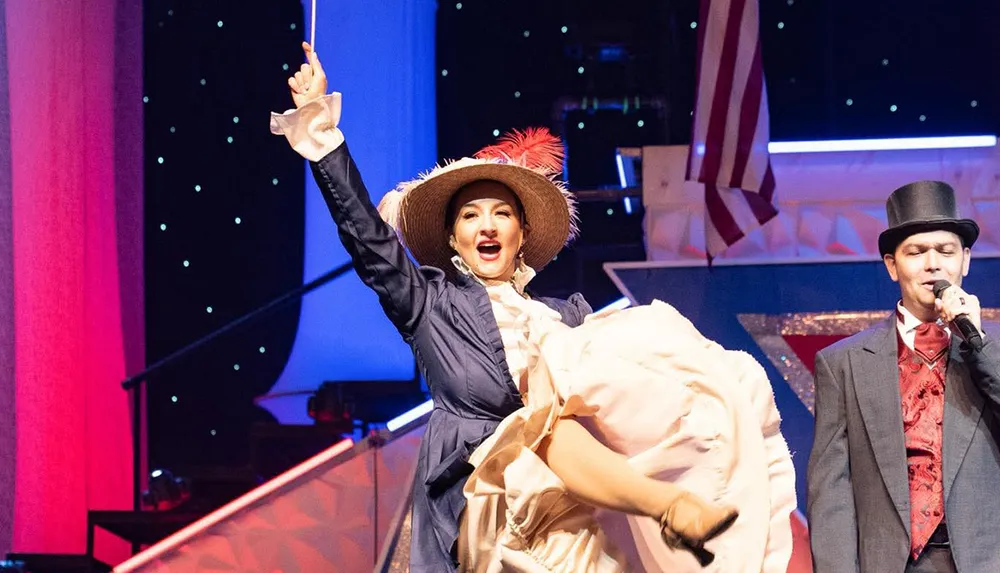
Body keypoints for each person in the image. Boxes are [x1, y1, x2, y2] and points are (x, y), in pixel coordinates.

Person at [271, 43, 795, 572]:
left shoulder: (563, 319)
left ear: (521, 235)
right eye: (471, 215)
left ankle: (679, 501)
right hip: (484, 490)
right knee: (546, 431)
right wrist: (321, 130)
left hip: (580, 500)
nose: (488, 225)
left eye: (502, 213)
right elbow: (368, 237)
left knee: (645, 352)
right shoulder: (430, 303)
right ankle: (670, 509)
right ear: (454, 238)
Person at [807, 180, 1000, 572]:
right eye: (916, 252)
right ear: (892, 265)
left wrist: (978, 342)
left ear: (965, 260)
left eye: (945, 251)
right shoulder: (843, 363)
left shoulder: (990, 353)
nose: (933, 264)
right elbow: (832, 494)